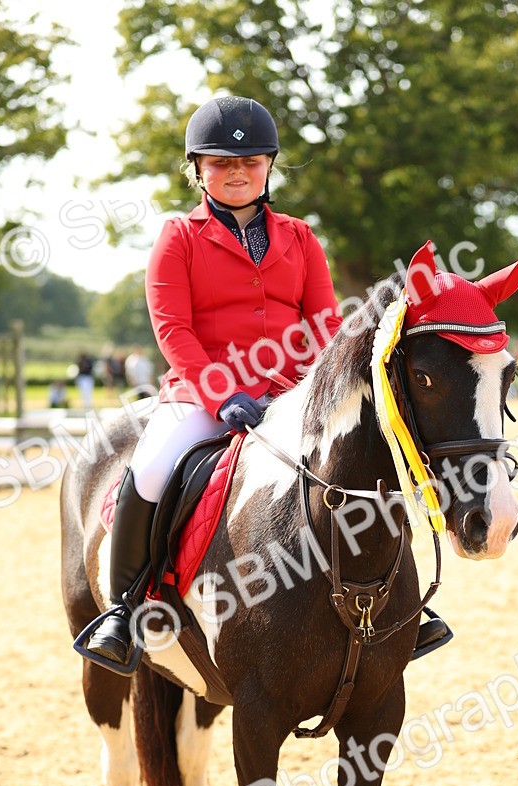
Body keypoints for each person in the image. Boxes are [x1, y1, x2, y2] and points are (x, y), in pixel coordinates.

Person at [85, 96, 343, 667]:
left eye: (250, 161)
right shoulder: (179, 236)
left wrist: (321, 391)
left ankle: (398, 606)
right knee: (150, 467)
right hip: (205, 396)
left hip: (291, 393)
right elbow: (172, 328)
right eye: (222, 161)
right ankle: (123, 609)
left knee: (362, 455)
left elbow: (325, 326)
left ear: (269, 166)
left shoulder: (300, 238)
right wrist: (223, 394)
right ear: (197, 168)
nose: (237, 171)